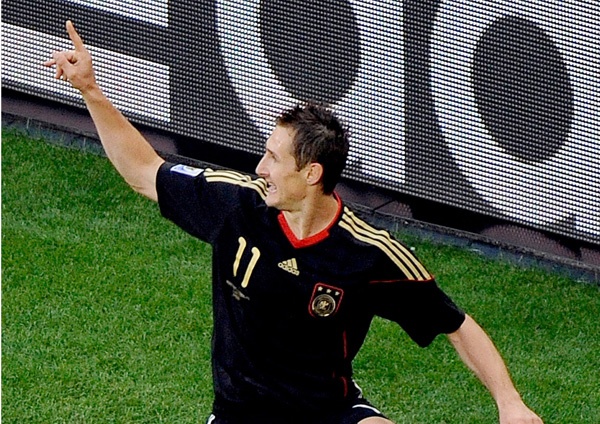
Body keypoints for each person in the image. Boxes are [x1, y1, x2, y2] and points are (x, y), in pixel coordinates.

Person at [44, 20, 544, 424]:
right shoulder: (236, 205)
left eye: (273, 158)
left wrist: (510, 403)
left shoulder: (368, 253)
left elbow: (455, 324)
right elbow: (144, 172)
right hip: (242, 414)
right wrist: (91, 91)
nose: (260, 168)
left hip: (328, 412)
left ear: (311, 174)